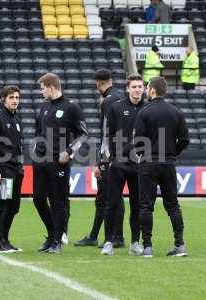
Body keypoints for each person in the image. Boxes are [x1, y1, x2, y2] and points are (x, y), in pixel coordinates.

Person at [133, 77, 189, 258]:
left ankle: (147, 247)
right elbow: (185, 140)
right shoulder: (176, 112)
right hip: (168, 164)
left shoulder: (144, 112)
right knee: (173, 205)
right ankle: (180, 244)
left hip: (149, 163)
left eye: (147, 88)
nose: (146, 91)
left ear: (153, 90)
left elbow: (138, 142)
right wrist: (172, 153)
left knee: (146, 206)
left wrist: (144, 154)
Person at [33, 72, 88, 254]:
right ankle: (51, 234)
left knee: (58, 202)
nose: (41, 92)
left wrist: (70, 151)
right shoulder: (43, 108)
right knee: (38, 199)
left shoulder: (71, 107)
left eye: (43, 89)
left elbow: (83, 135)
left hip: (59, 162)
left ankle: (57, 240)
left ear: (51, 87)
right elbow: (38, 133)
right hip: (41, 161)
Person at [75, 68, 125, 248]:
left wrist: (100, 160)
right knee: (111, 197)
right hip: (125, 153)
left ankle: (115, 237)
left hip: (110, 156)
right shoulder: (122, 96)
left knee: (108, 197)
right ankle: (99, 235)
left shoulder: (107, 101)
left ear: (98, 83)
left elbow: (106, 133)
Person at [100, 74, 147, 256]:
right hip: (118, 164)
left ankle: (135, 241)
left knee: (137, 205)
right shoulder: (116, 107)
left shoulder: (148, 108)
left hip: (139, 166)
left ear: (143, 88)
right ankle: (108, 242)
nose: (137, 90)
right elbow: (108, 134)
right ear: (128, 89)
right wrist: (110, 157)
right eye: (134, 87)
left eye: (140, 87)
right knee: (112, 204)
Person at [0, 85, 24, 253]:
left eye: (17, 97)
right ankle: (0, 242)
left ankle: (6, 240)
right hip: (3, 168)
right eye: (11, 98)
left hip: (17, 168)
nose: (15, 101)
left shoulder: (17, 119)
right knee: (1, 204)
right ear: (3, 99)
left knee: (14, 206)